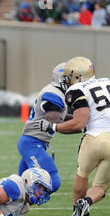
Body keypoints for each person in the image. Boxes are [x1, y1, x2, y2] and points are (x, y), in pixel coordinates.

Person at [34, 56, 110, 216]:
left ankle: (77, 213)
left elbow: (79, 123)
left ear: (77, 76)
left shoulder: (76, 89)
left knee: (83, 174)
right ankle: (86, 202)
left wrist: (52, 127)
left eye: (68, 77)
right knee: (101, 186)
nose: (67, 81)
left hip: (95, 138)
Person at [16, 62, 72, 194]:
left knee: (21, 185)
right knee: (51, 181)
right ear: (62, 79)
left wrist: (80, 120)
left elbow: (60, 116)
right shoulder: (53, 94)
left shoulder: (56, 92)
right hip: (32, 143)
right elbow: (53, 119)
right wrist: (79, 126)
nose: (74, 81)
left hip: (33, 143)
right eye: (71, 78)